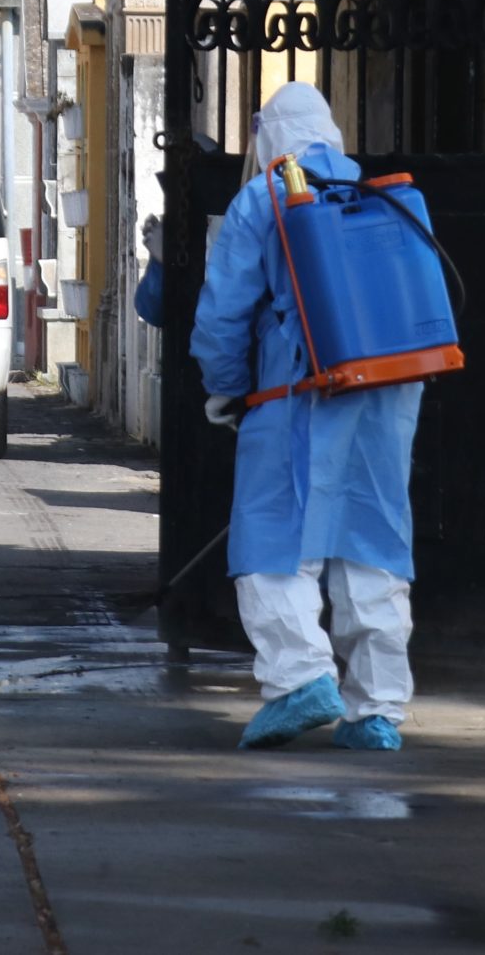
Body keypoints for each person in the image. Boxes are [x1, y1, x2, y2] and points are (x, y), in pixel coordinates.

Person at [191, 81, 420, 752]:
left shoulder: (265, 196)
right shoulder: (378, 196)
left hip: (299, 391)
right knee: (371, 542)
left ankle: (300, 680)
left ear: (268, 137)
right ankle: (377, 711)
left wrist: (225, 387)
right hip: (386, 393)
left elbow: (223, 313)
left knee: (273, 540)